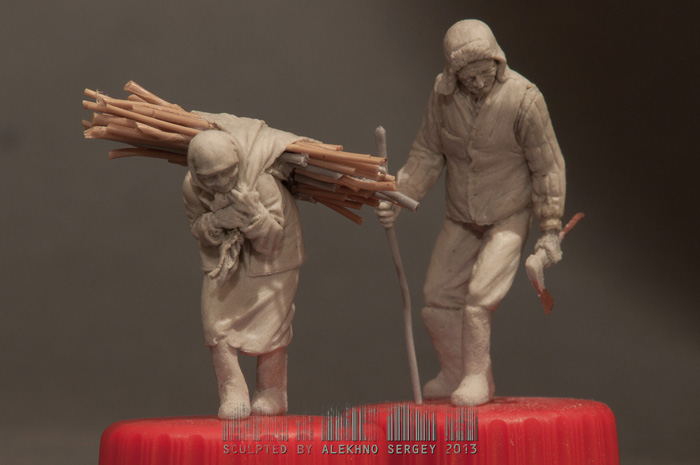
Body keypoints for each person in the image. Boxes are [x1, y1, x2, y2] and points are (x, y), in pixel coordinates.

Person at [376, 19, 566, 406]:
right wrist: (398, 196)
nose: (478, 82)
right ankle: (455, 371)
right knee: (437, 297)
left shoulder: (525, 99)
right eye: (468, 76)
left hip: (508, 215)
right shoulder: (442, 97)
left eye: (484, 72)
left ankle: (478, 377)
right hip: (461, 216)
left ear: (498, 62)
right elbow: (428, 153)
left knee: (479, 296)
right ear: (453, 74)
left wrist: (549, 227)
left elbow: (547, 166)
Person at [183, 115, 306, 419]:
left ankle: (272, 391)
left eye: (227, 172)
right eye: (210, 177)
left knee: (273, 328)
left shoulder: (261, 184)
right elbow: (197, 227)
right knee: (216, 325)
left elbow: (273, 238)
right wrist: (216, 221)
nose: (220, 182)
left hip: (274, 262)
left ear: (237, 161)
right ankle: (233, 390)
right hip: (225, 262)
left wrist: (255, 218)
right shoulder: (192, 188)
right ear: (195, 172)